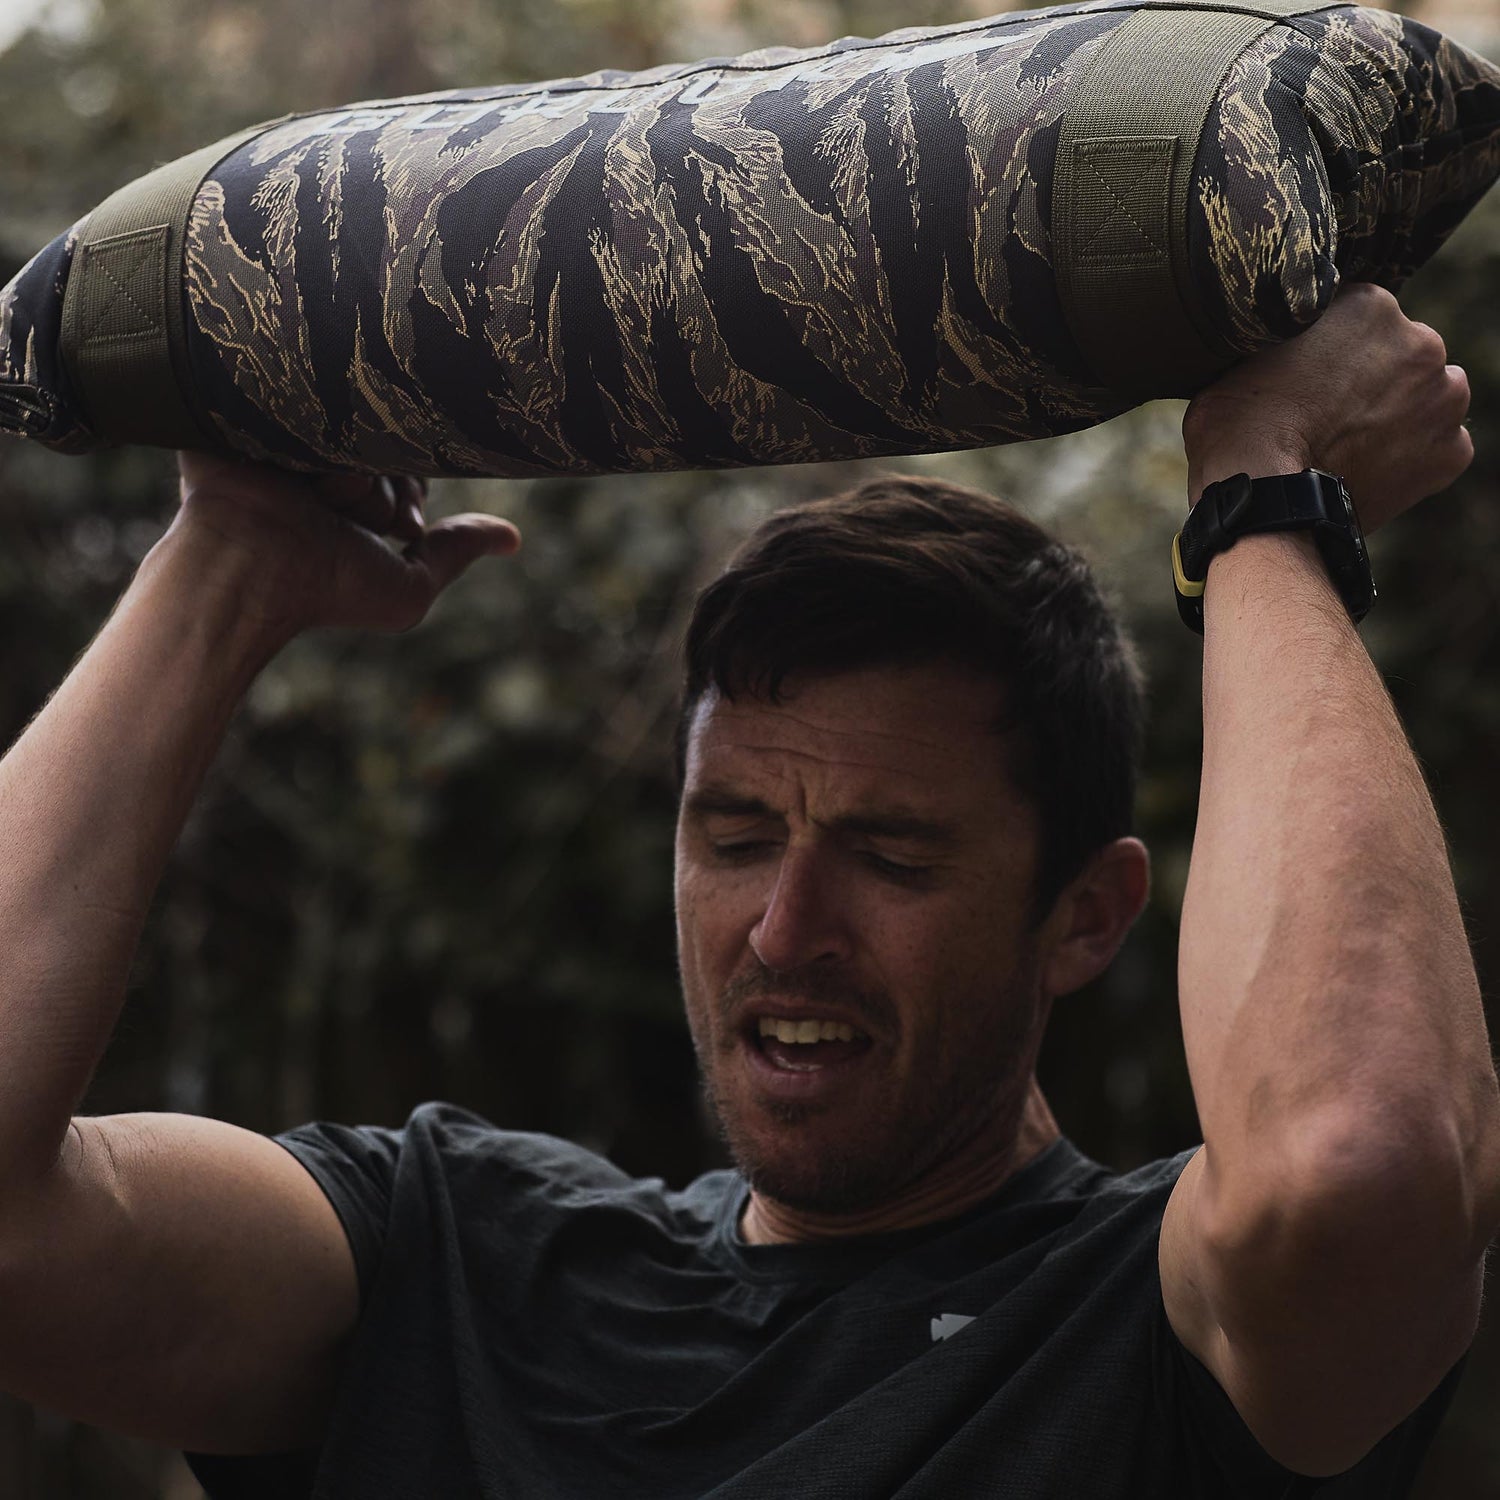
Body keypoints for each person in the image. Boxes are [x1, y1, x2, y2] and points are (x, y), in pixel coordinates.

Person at [0, 283, 1496, 1500]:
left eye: (894, 858)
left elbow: (1356, 1165)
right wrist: (227, 564)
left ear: (1086, 917)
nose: (785, 932)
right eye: (731, 837)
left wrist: (1268, 509)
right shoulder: (449, 1262)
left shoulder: (1158, 1330)